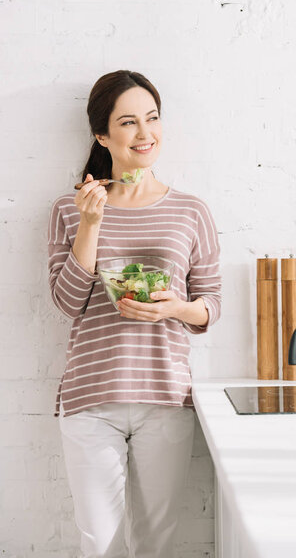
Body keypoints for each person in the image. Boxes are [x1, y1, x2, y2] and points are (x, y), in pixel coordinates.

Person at [47, 70, 222, 558]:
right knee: (98, 542)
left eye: (153, 118)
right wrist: (91, 223)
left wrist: (175, 307)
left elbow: (210, 306)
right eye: (128, 122)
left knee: (156, 543)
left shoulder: (191, 211)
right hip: (90, 396)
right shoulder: (71, 206)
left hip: (164, 395)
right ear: (102, 135)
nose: (145, 134)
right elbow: (67, 302)